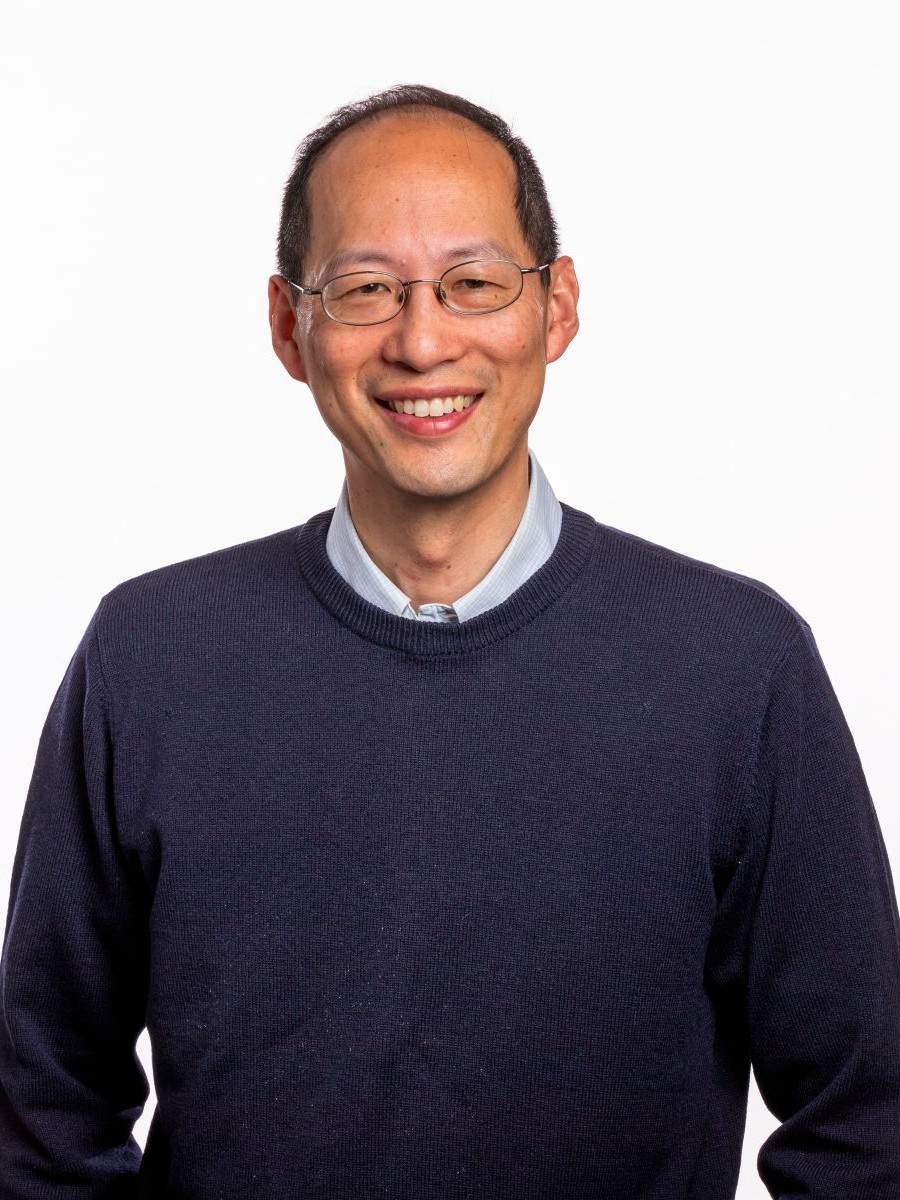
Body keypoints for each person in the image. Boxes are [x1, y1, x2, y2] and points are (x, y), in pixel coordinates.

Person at [1, 83, 898, 1200]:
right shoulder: (151, 658)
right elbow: (41, 1111)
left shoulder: (737, 666)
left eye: (474, 284)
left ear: (556, 308)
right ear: (291, 326)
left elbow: (870, 1122)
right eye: (366, 289)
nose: (423, 341)